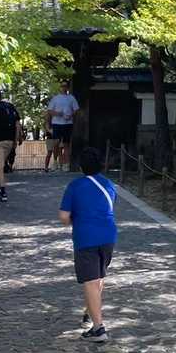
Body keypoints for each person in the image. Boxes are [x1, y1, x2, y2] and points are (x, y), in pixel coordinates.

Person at [59, 147, 118, 342]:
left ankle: (99, 328)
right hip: (108, 236)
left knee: (91, 280)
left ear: (81, 166)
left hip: (86, 237)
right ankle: (89, 312)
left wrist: (76, 219)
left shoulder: (75, 186)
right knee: (99, 277)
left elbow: (64, 216)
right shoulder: (109, 184)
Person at [45, 83, 79, 172]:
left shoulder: (71, 98)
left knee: (66, 144)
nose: (64, 88)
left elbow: (76, 110)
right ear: (60, 87)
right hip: (56, 123)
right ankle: (55, 162)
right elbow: (49, 111)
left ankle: (66, 164)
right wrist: (58, 113)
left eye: (65, 86)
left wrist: (70, 115)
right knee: (56, 143)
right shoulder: (55, 98)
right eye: (62, 86)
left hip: (68, 124)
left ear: (68, 88)